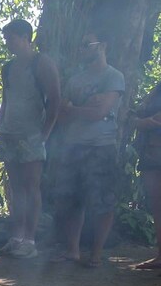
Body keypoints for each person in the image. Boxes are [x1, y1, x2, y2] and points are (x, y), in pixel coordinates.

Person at [52, 31, 124, 267]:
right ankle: (73, 250)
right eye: (80, 45)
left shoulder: (114, 77)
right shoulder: (75, 80)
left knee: (103, 201)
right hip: (73, 146)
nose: (82, 49)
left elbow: (99, 113)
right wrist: (81, 109)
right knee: (72, 200)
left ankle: (96, 254)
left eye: (86, 44)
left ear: (102, 45)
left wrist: (74, 108)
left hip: (101, 146)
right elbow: (61, 115)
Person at [0, 19, 61, 259]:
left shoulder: (41, 63)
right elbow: (6, 98)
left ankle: (30, 240)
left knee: (31, 187)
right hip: (9, 132)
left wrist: (44, 134)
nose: (8, 42)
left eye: (11, 37)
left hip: (32, 133)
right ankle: (16, 237)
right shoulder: (8, 67)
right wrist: (0, 127)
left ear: (25, 37)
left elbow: (55, 100)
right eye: (6, 38)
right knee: (16, 187)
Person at [131, 81, 161, 270]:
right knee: (156, 204)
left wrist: (144, 122)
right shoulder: (157, 87)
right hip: (151, 153)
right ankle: (160, 255)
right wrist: (142, 122)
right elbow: (137, 115)